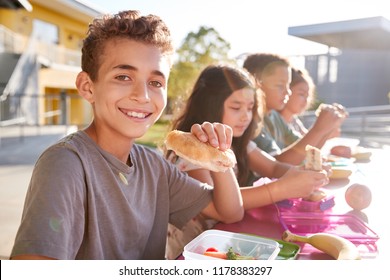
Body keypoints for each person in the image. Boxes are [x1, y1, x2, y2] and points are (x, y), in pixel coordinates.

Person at [10, 10, 244, 260]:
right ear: (87, 87)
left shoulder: (154, 166)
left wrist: (219, 156)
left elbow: (229, 212)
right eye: (123, 76)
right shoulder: (66, 165)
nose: (142, 95)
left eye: (155, 83)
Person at [165, 64, 329, 259]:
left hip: (219, 240)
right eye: (236, 107)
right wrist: (283, 189)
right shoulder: (191, 153)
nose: (245, 116)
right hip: (186, 251)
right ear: (209, 105)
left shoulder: (240, 143)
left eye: (250, 108)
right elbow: (219, 207)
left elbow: (274, 166)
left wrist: (305, 176)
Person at [243, 53, 347, 165]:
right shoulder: (250, 121)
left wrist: (327, 127)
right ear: (257, 84)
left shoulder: (275, 116)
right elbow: (276, 165)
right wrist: (318, 129)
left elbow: (306, 151)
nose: (288, 92)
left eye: (288, 86)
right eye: (280, 85)